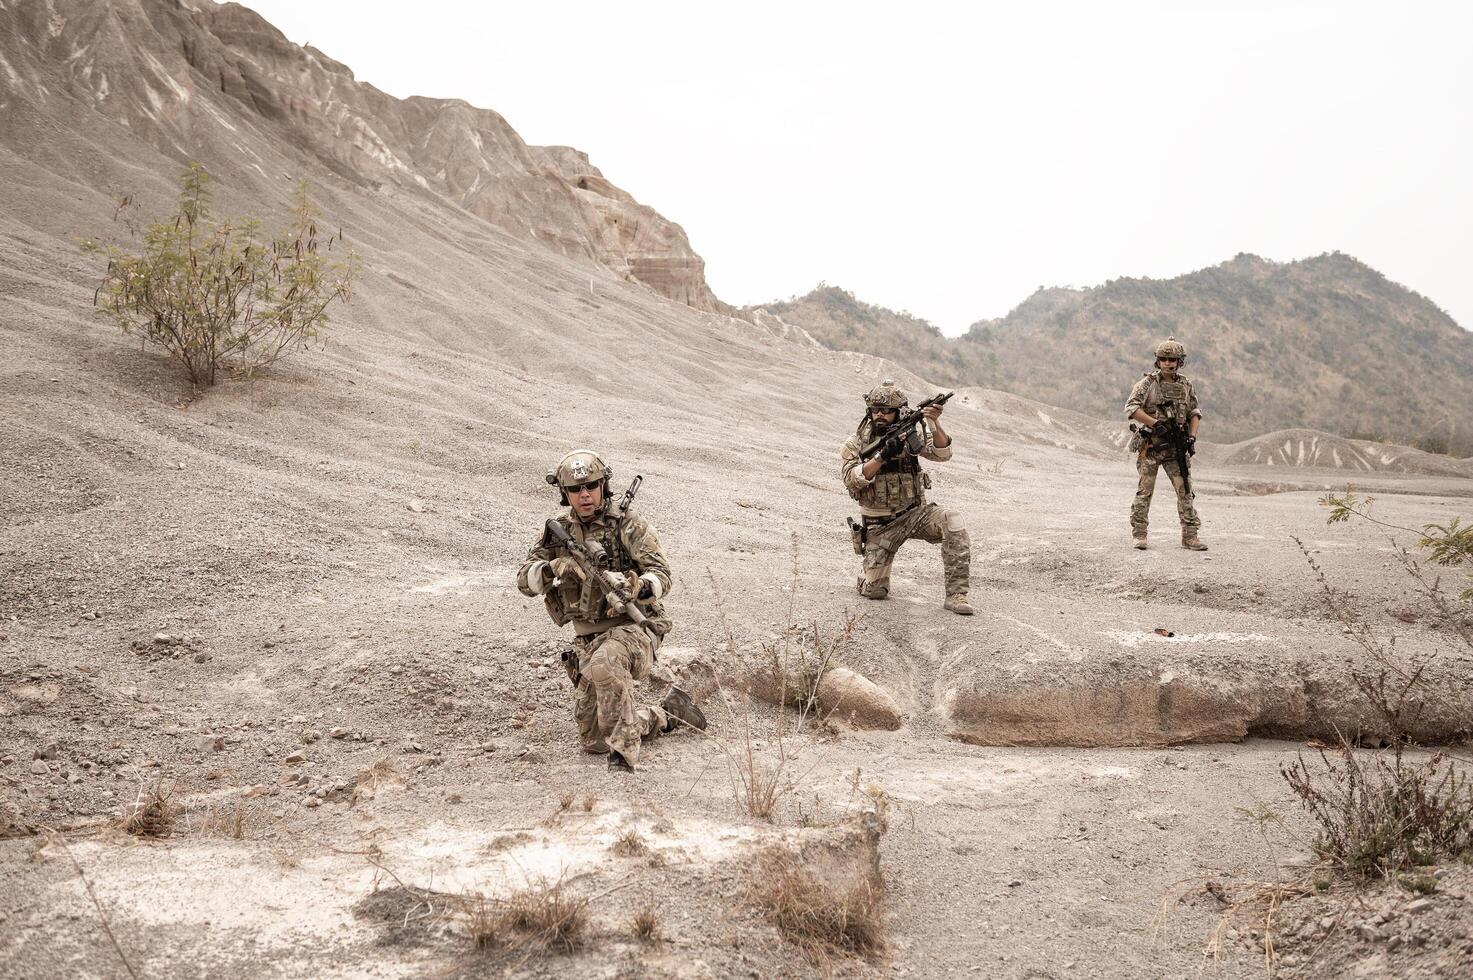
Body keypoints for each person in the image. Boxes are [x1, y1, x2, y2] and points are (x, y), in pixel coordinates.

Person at [516, 450, 705, 771]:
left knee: (607, 661)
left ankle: (624, 759)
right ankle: (668, 713)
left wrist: (633, 585)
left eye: (591, 486)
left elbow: (662, 575)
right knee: (594, 742)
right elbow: (524, 581)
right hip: (587, 640)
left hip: (635, 631)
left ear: (604, 485)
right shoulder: (559, 532)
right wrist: (553, 567)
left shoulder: (628, 526)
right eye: (575, 490)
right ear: (565, 494)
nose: (584, 495)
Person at [840, 380, 973, 614]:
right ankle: (867, 576)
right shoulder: (856, 443)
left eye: (887, 410)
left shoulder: (911, 432)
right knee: (875, 591)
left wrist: (933, 420)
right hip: (879, 526)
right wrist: (882, 457)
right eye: (875, 410)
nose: (880, 414)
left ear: (900, 411)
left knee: (952, 520)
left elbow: (943, 454)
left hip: (915, 514)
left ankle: (957, 596)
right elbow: (852, 479)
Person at [1125, 338, 1207, 551]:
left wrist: (1192, 436)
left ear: (1180, 361)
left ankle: (1190, 536)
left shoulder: (1185, 385)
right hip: (1151, 446)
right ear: (1157, 361)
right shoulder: (1148, 383)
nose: (1168, 363)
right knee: (1145, 492)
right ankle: (1139, 534)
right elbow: (1132, 408)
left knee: (1185, 491)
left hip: (1175, 447)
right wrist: (1155, 424)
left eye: (1173, 359)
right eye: (1163, 359)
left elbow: (1194, 412)